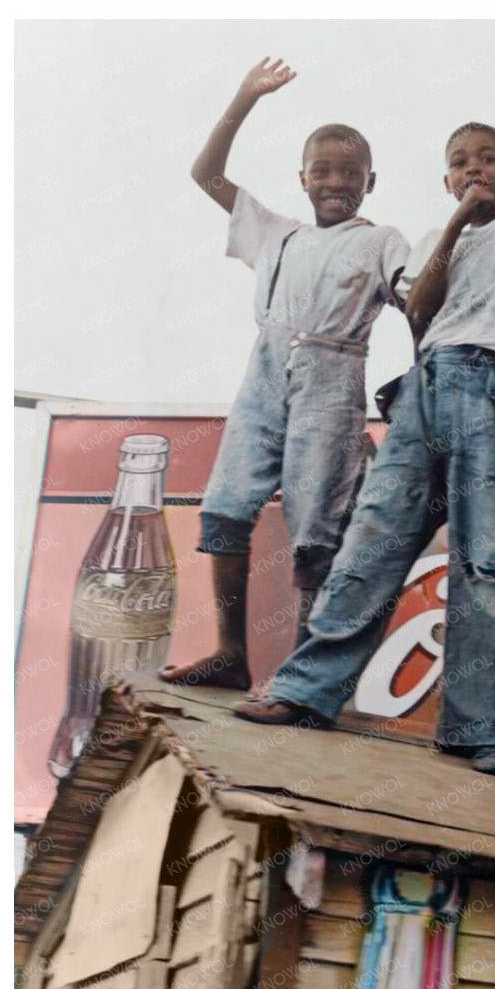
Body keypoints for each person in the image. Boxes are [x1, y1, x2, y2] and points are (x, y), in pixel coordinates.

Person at [234, 21, 495, 780]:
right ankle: (310, 689)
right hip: (427, 385)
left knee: (490, 560)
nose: (473, 168)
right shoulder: (443, 236)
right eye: (457, 163)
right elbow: (419, 316)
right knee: (372, 540)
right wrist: (452, 222)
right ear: (445, 180)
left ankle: (484, 728)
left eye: (487, 159)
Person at [160, 57, 409, 689]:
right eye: (322, 170)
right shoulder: (276, 232)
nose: (335, 181)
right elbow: (205, 173)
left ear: (370, 180)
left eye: (350, 172)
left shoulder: (381, 240)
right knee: (224, 508)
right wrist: (245, 94)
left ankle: (302, 677)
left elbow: (419, 299)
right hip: (266, 368)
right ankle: (230, 654)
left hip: (334, 373)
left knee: (316, 529)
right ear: (302, 177)